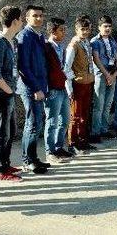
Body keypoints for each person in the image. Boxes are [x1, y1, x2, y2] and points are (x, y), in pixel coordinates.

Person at [0, 6, 24, 183]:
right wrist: (10, 91)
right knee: (2, 132)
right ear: (15, 21)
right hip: (1, 94)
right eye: (21, 19)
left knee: (10, 131)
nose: (22, 22)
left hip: (8, 92)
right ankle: (0, 170)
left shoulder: (12, 41)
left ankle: (6, 163)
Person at [16, 5, 49, 173]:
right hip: (30, 88)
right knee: (32, 123)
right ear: (27, 18)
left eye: (41, 15)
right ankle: (27, 160)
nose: (38, 18)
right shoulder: (25, 36)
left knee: (37, 122)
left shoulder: (38, 36)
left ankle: (34, 157)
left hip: (40, 85)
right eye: (34, 15)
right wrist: (36, 88)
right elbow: (23, 66)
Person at [43, 17, 72, 163]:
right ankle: (50, 151)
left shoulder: (61, 46)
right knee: (52, 121)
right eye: (61, 30)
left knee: (65, 119)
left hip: (62, 87)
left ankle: (59, 147)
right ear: (52, 31)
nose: (64, 32)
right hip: (52, 89)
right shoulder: (46, 47)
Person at [64, 15, 95, 152]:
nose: (85, 32)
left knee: (84, 114)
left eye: (87, 29)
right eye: (82, 29)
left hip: (88, 82)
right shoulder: (73, 45)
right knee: (75, 115)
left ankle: (83, 141)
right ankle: (72, 143)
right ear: (76, 30)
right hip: (77, 84)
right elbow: (66, 68)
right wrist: (69, 87)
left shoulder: (87, 42)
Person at [90, 16, 117, 141]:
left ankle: (104, 129)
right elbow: (96, 59)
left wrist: (113, 75)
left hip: (112, 75)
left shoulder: (113, 40)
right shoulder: (95, 41)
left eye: (109, 26)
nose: (107, 29)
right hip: (101, 75)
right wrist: (107, 75)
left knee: (108, 104)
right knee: (99, 105)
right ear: (99, 27)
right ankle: (95, 132)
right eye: (105, 26)